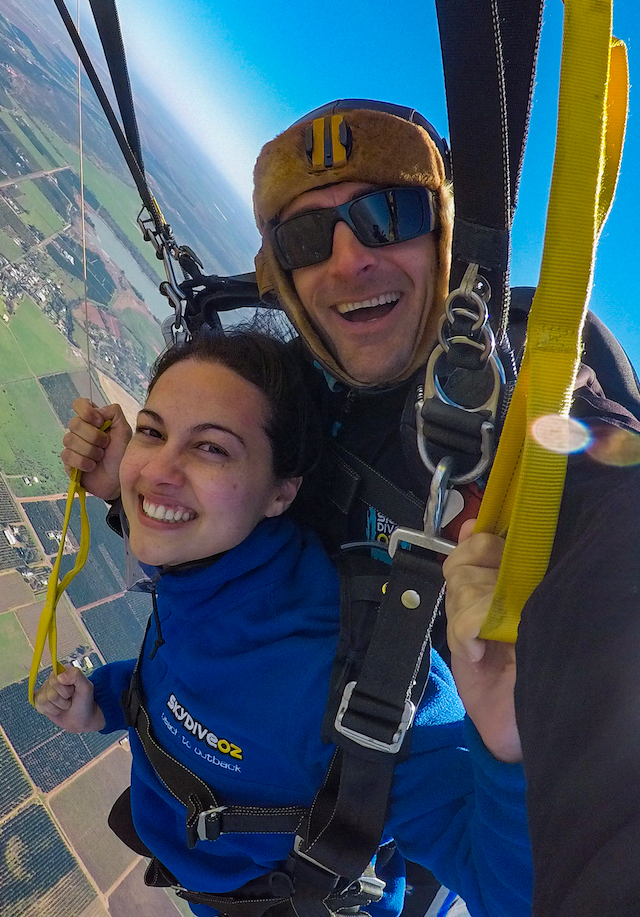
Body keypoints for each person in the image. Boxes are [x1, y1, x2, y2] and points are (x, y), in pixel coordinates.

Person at [62, 101, 640, 917]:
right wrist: (135, 482)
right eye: (305, 239)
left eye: (386, 214)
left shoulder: (541, 440)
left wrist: (509, 737)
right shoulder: (302, 394)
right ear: (282, 277)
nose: (346, 260)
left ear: (447, 239)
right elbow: (244, 535)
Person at [36, 330, 529, 916]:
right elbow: (184, 673)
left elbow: (512, 899)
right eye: (153, 431)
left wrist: (507, 738)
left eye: (212, 448)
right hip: (217, 886)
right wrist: (106, 702)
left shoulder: (358, 678)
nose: (160, 470)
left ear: (282, 493)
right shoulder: (204, 570)